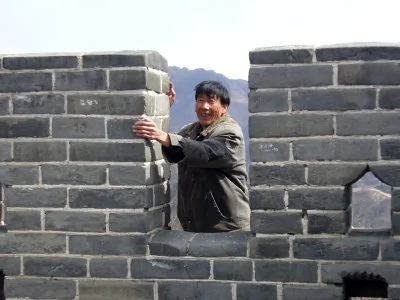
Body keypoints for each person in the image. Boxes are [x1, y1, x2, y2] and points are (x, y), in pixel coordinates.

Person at [132, 81, 250, 233]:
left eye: (211, 101)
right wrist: (165, 107)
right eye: (201, 100)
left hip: (227, 228)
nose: (205, 106)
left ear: (224, 108)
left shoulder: (230, 133)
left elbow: (204, 153)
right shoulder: (190, 130)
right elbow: (173, 147)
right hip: (194, 225)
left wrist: (164, 136)